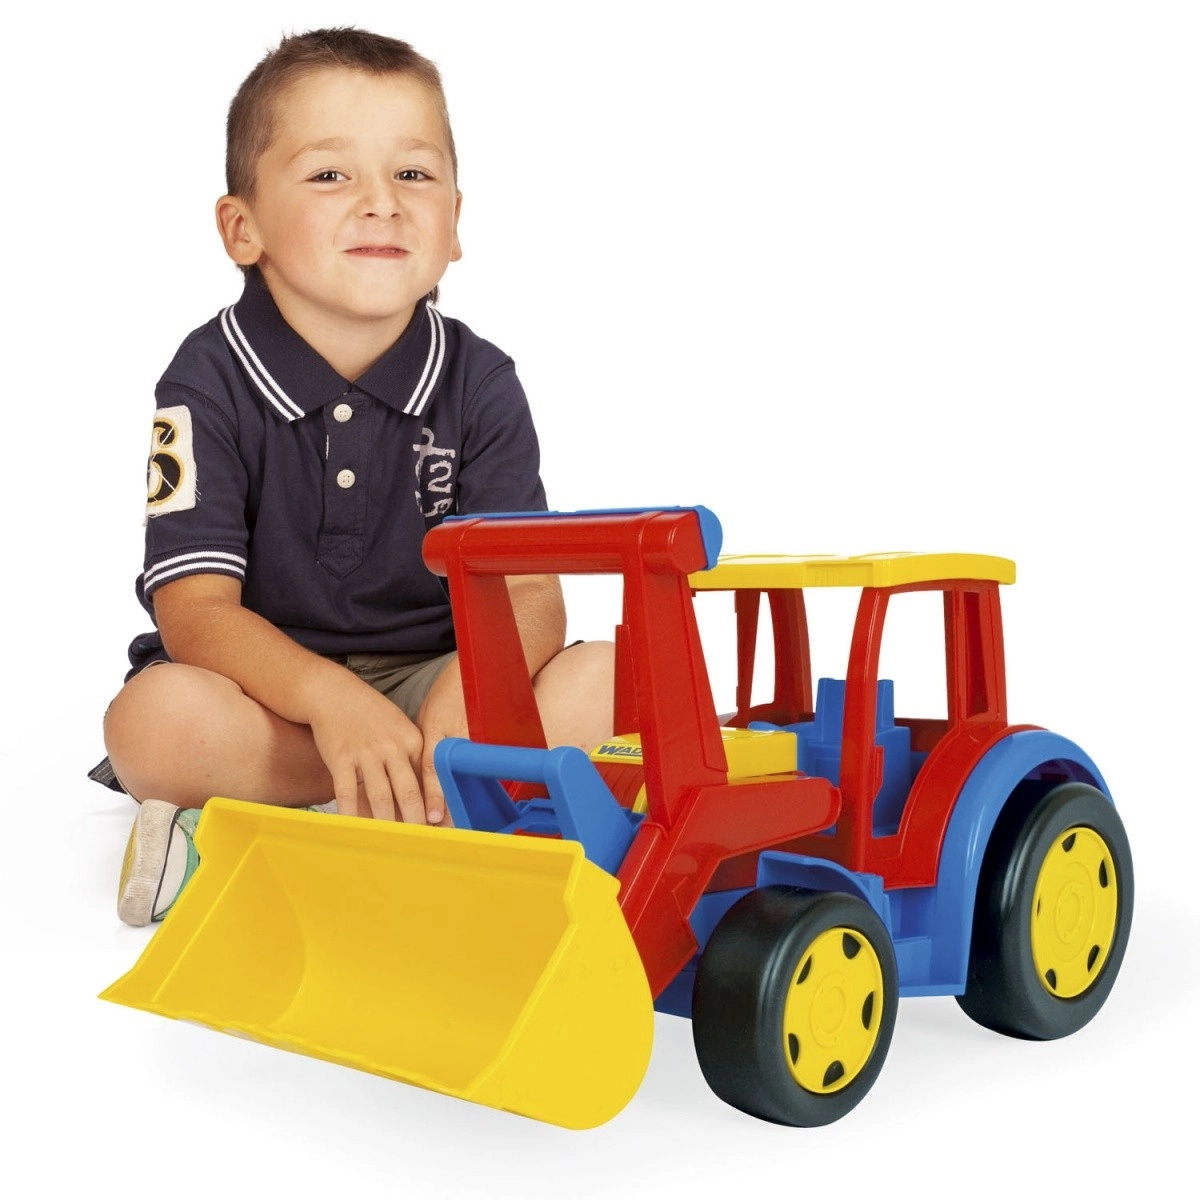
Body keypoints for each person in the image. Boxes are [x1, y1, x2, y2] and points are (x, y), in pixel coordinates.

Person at [97, 27, 614, 927]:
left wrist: (467, 698)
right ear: (242, 228)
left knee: (609, 680)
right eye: (331, 174)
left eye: (413, 174)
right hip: (273, 699)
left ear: (456, 222)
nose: (382, 203)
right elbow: (196, 611)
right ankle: (420, 792)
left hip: (442, 679)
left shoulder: (480, 379)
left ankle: (360, 798)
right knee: (153, 725)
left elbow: (530, 591)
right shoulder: (205, 379)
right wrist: (332, 703)